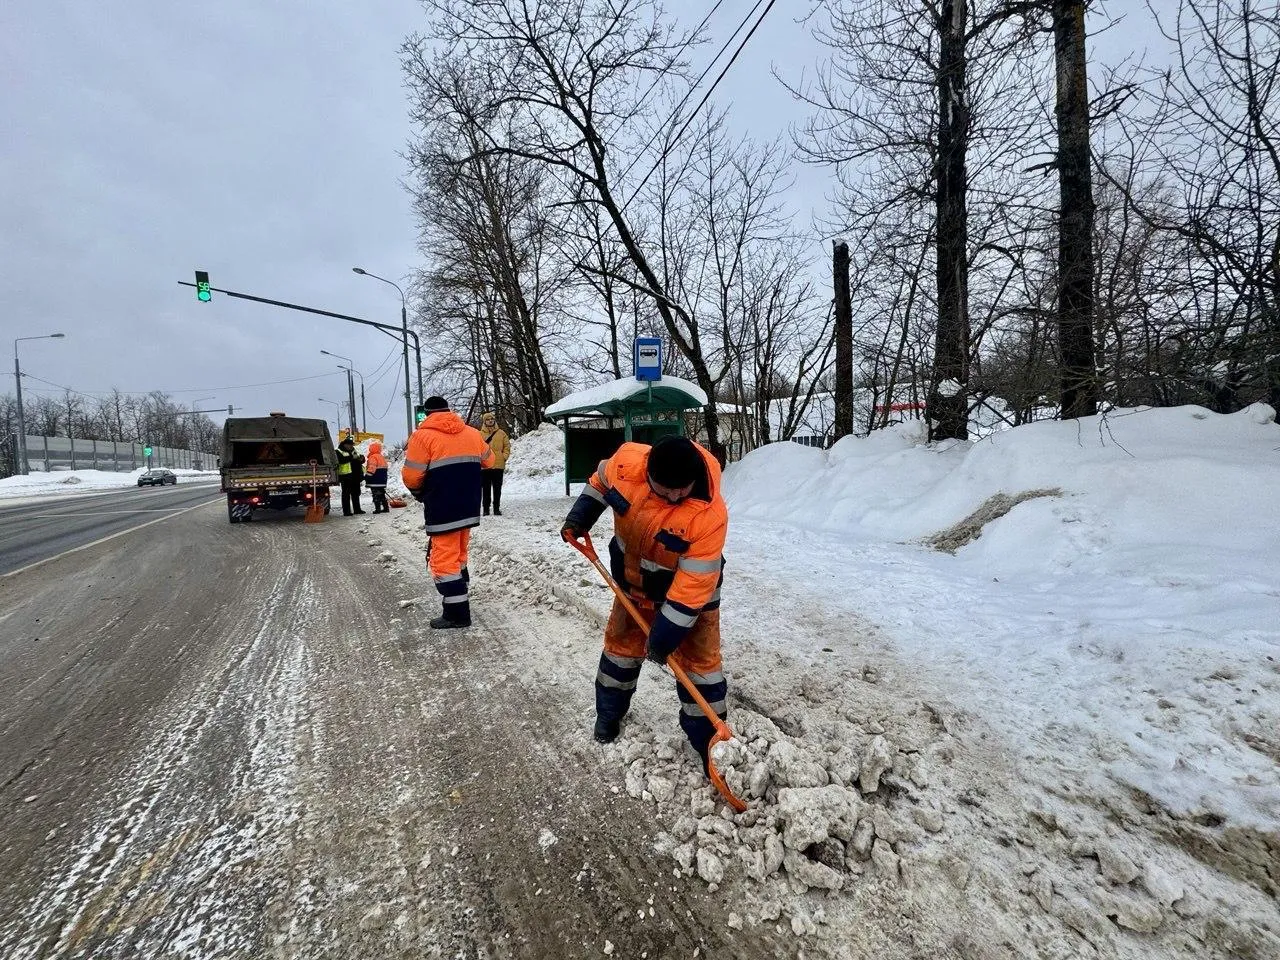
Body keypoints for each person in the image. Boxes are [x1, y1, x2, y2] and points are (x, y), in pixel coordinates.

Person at [560, 435, 729, 773]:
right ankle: (608, 715)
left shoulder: (710, 515)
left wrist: (664, 637)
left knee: (699, 666)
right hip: (634, 584)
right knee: (620, 649)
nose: (674, 496)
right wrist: (581, 515)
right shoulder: (626, 464)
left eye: (682, 489)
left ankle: (710, 743)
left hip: (691, 600)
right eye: (665, 489)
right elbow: (599, 481)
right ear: (647, 472)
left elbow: (692, 586)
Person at [401, 396, 496, 629]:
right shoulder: (472, 433)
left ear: (427, 413)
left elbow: (412, 476)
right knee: (459, 554)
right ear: (448, 410)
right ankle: (461, 592)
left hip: (442, 506)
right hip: (469, 505)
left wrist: (418, 492)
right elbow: (490, 461)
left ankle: (457, 614)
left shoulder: (422, 437)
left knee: (443, 560)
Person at [478, 411, 512, 516]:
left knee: (497, 488)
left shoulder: (501, 433)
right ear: (484, 421)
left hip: (498, 465)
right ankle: (486, 509)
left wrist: (504, 457)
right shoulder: (479, 434)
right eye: (488, 419)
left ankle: (496, 508)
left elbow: (507, 446)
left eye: (492, 419)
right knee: (486, 489)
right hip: (485, 466)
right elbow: (476, 448)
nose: (490, 421)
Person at [335, 435, 365, 516]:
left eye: (352, 445)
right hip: (346, 476)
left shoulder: (353, 450)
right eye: (350, 445)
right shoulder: (338, 451)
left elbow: (359, 458)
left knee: (355, 493)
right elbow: (340, 460)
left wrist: (362, 458)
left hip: (355, 476)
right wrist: (352, 458)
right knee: (346, 494)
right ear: (345, 444)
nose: (351, 446)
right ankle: (346, 511)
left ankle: (357, 509)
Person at [364, 440, 389, 513]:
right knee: (382, 495)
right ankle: (386, 508)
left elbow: (372, 468)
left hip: (375, 480)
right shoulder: (381, 457)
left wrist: (367, 476)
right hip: (382, 480)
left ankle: (377, 509)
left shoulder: (373, 457)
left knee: (376, 495)